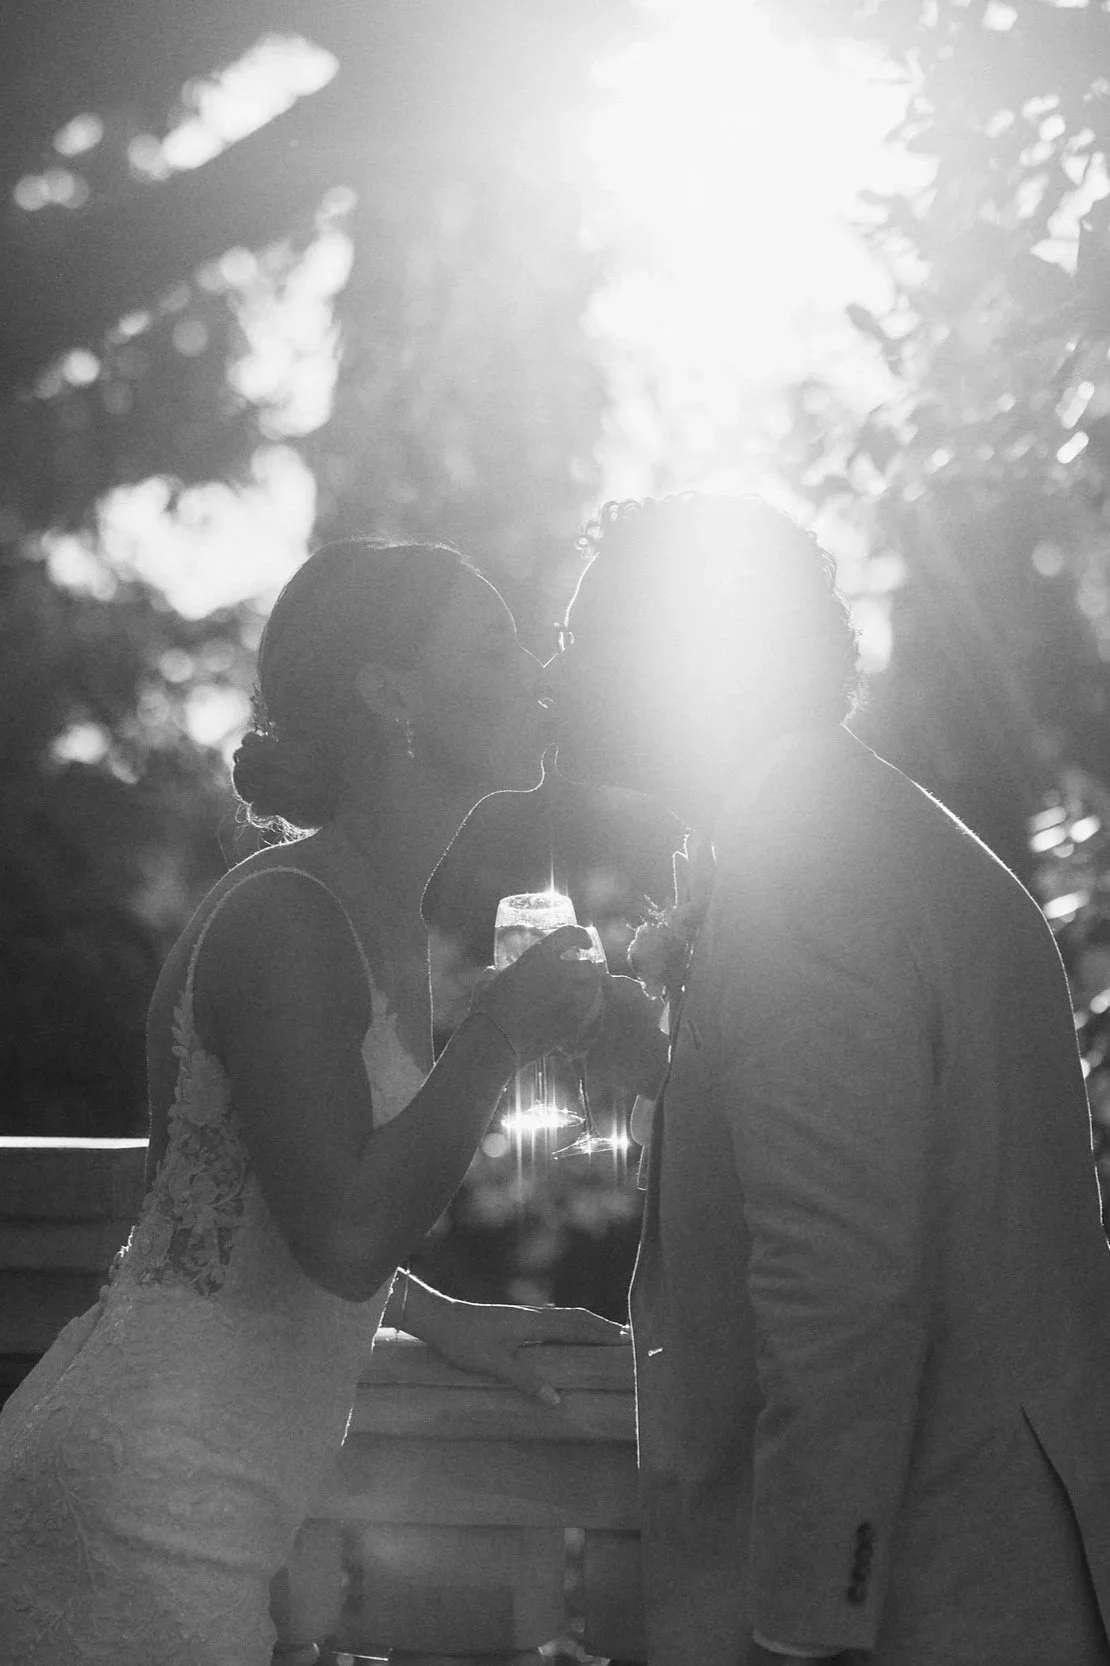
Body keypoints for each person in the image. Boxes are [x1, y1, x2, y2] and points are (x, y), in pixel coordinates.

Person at [0, 537, 624, 1666]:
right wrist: (499, 1030)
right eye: (494, 648)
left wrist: (440, 1317)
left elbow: (278, 1196)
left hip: (205, 1508)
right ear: (391, 692)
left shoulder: (375, 904)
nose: (536, 671)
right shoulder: (289, 917)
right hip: (139, 1511)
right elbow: (340, 1231)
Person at [551, 492, 1110, 1665]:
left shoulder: (810, 867)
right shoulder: (854, 829)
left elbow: (842, 1288)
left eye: (591, 637)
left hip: (929, 1593)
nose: (563, 668)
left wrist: (807, 1628)